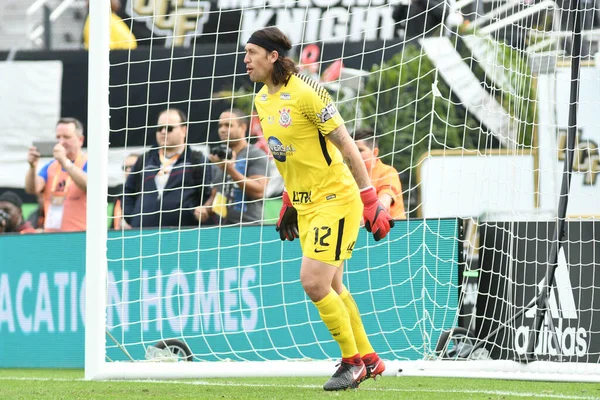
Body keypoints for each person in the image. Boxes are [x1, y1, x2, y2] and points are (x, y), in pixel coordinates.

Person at [245, 26, 394, 391]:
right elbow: (290, 157)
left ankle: (351, 363)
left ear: (273, 56)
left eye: (251, 53)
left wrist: (370, 198)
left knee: (313, 283)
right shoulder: (262, 100)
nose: (245, 60)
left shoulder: (307, 91)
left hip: (336, 198)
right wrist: (289, 200)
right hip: (306, 203)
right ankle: (369, 358)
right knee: (333, 285)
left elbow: (346, 146)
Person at [123, 108, 212, 229]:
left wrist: (196, 214)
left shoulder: (196, 160)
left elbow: (208, 194)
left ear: (183, 130)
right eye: (160, 128)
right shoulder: (144, 160)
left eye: (169, 128)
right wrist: (132, 217)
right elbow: (127, 191)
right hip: (143, 234)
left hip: (183, 235)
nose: (163, 132)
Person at [195, 109, 269, 225]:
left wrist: (229, 170)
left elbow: (259, 191)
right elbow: (217, 194)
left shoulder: (256, 154)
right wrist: (204, 209)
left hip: (249, 227)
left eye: (228, 125)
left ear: (243, 127)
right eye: (220, 126)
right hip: (221, 228)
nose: (222, 130)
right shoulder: (219, 156)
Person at [25, 118, 88, 232]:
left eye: (67, 137)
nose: (61, 142)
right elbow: (32, 189)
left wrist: (65, 161)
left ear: (80, 140)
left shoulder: (88, 162)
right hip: (53, 236)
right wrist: (32, 167)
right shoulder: (51, 166)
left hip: (81, 235)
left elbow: (90, 185)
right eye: (58, 137)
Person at [353, 128, 406, 220]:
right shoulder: (347, 176)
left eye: (360, 150)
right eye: (352, 151)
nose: (355, 154)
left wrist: (356, 221)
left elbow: (383, 203)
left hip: (393, 232)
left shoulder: (388, 172)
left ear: (375, 152)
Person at [111, 153, 138, 229]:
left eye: (133, 167)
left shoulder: (149, 194)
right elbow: (113, 226)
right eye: (125, 167)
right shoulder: (119, 195)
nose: (128, 170)